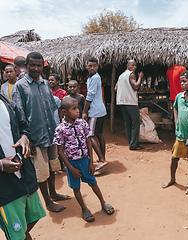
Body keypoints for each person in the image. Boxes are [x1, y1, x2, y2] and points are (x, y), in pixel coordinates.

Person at [12, 51, 70, 213]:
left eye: (39, 65)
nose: (36, 68)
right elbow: (20, 114)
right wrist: (27, 137)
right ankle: (48, 202)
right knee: (41, 171)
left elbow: (52, 107)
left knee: (52, 166)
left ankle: (54, 193)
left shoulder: (45, 83)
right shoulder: (20, 86)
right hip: (35, 136)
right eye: (32, 65)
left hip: (51, 133)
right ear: (27, 65)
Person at [54, 96, 114, 222]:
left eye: (78, 108)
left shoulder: (82, 123)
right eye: (74, 109)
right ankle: (84, 208)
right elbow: (60, 151)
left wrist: (91, 162)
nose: (78, 111)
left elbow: (88, 142)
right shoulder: (60, 129)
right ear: (64, 112)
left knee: (93, 183)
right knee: (76, 188)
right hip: (72, 164)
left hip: (85, 160)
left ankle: (103, 202)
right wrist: (70, 168)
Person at [0, 93, 46, 240]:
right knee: (16, 233)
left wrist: (24, 138)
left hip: (24, 175)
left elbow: (23, 126)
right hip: (5, 188)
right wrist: (1, 164)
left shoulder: (6, 102)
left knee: (33, 217)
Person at [82, 57, 108, 170]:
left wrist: (84, 111)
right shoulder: (92, 78)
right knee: (99, 134)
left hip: (95, 111)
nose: (92, 68)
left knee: (90, 135)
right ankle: (102, 157)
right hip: (100, 109)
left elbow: (90, 95)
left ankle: (102, 159)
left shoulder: (95, 78)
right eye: (90, 66)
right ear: (86, 66)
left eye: (94, 66)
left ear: (98, 66)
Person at [115, 60, 144, 150]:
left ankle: (130, 143)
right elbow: (136, 87)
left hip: (122, 101)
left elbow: (116, 88)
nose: (134, 67)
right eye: (132, 65)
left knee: (128, 124)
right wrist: (140, 77)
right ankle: (134, 145)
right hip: (130, 102)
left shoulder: (121, 75)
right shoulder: (131, 74)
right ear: (127, 65)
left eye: (135, 65)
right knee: (136, 123)